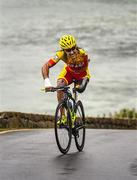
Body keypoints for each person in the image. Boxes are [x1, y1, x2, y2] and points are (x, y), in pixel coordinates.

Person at [41, 34, 91, 103]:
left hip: (82, 75)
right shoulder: (60, 54)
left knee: (80, 89)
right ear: (63, 50)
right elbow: (46, 66)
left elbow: (87, 62)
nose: (72, 52)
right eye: (68, 50)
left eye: (73, 48)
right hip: (69, 73)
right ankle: (62, 113)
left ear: (76, 46)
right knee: (60, 87)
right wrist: (47, 82)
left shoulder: (82, 53)